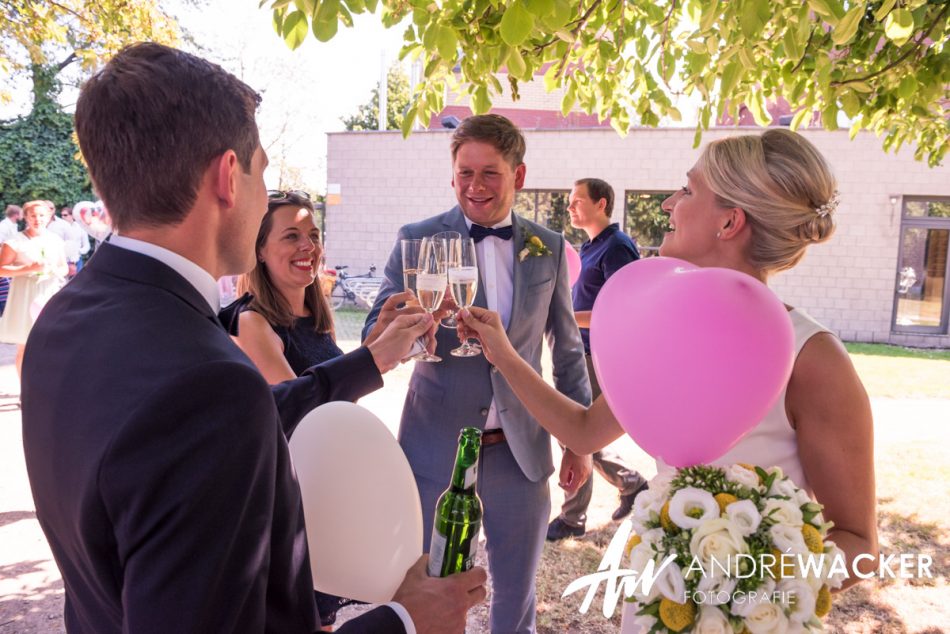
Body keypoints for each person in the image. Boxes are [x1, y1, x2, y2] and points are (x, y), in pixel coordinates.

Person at [22, 42, 485, 634]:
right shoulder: (209, 383)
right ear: (227, 177)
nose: (266, 193)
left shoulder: (62, 318)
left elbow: (225, 426)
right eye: (262, 171)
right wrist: (403, 621)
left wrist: (368, 361)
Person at [459, 129, 878, 604]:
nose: (668, 205)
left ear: (729, 222)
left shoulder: (815, 358)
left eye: (687, 190)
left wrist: (735, 588)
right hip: (659, 603)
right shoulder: (663, 331)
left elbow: (860, 547)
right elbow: (581, 432)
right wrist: (502, 352)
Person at [363, 114, 591, 633]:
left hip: (519, 450)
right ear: (452, 176)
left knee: (516, 595)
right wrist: (407, 320)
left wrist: (579, 442)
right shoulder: (417, 240)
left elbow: (567, 348)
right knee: (427, 589)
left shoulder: (549, 246)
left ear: (520, 176)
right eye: (465, 173)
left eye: (490, 173)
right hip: (433, 447)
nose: (475, 186)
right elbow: (373, 343)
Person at [233, 190, 425, 630]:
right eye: (292, 236)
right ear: (260, 251)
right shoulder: (252, 322)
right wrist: (375, 357)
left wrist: (379, 341)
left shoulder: (314, 315)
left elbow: (333, 394)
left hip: (327, 492)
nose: (308, 246)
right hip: (295, 503)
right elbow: (303, 414)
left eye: (314, 234)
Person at [546, 178, 649, 542]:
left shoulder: (618, 247)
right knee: (581, 432)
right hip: (577, 348)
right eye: (570, 201)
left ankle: (573, 517)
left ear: (601, 203)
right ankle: (632, 483)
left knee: (575, 431)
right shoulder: (589, 246)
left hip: (600, 353)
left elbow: (624, 305)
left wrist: (566, 316)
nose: (570, 207)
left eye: (577, 201)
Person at [0, 200, 68, 380]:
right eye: (33, 215)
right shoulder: (14, 242)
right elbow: (1, 269)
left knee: (50, 343)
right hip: (25, 296)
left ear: (49, 217)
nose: (38, 219)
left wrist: (53, 270)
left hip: (48, 294)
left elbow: (64, 268)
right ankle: (24, 389)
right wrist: (28, 269)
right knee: (25, 344)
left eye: (42, 215)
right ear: (26, 217)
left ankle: (44, 387)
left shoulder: (56, 240)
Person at [51, 207, 90, 277]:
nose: (63, 217)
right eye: (61, 215)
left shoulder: (80, 227)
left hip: (77, 259)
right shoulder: (57, 227)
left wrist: (77, 251)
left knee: (77, 283)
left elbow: (86, 245)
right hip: (62, 260)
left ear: (72, 216)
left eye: (65, 215)